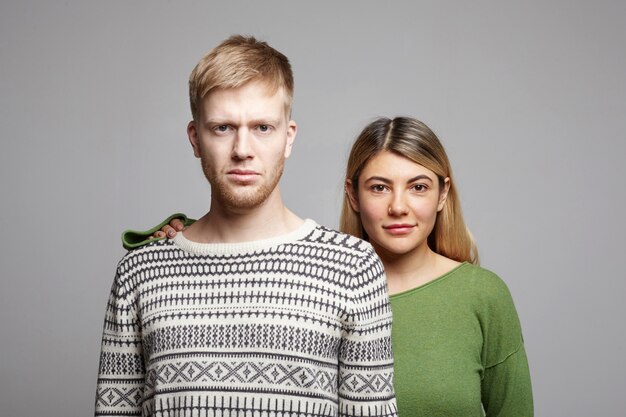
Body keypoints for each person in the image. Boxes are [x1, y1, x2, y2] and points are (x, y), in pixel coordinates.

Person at [143, 117, 533, 416]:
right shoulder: (316, 286)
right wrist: (182, 240)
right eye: (379, 187)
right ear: (354, 194)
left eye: (418, 187)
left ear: (443, 193)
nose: (399, 206)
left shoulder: (483, 296)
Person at [95, 35, 397, 417]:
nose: (242, 149)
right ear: (195, 139)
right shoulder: (140, 273)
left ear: (288, 138)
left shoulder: (352, 267)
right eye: (222, 127)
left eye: (262, 128)